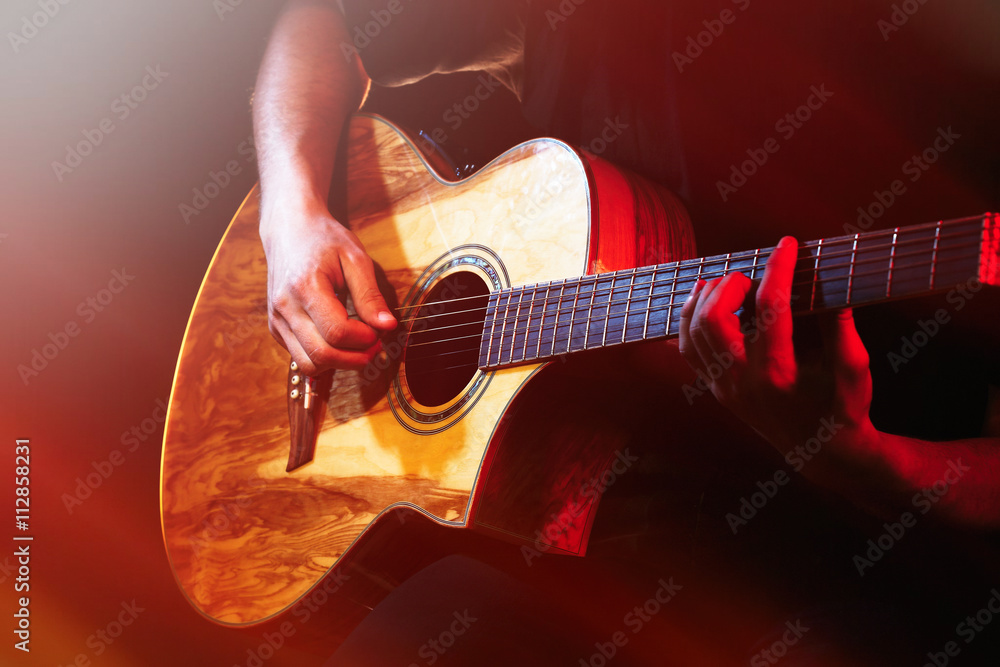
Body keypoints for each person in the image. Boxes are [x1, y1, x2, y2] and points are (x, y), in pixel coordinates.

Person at [252, 0, 1000, 662]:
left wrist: (866, 463)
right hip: (597, 520)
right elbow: (320, 20)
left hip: (847, 561)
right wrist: (293, 216)